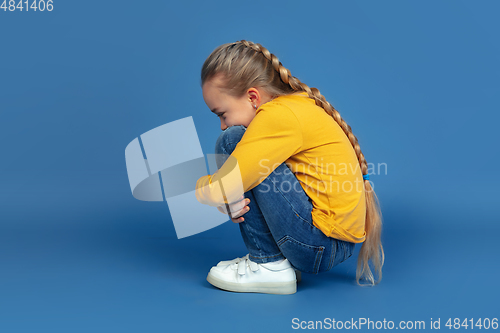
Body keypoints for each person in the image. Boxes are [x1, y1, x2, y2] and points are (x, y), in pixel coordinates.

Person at [195, 40, 384, 295]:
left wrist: (203, 189)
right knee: (247, 158)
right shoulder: (294, 106)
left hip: (318, 244)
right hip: (330, 243)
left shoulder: (277, 117)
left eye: (222, 113)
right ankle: (277, 262)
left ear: (253, 97)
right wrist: (229, 193)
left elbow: (227, 185)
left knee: (232, 141)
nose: (222, 124)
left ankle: (268, 265)